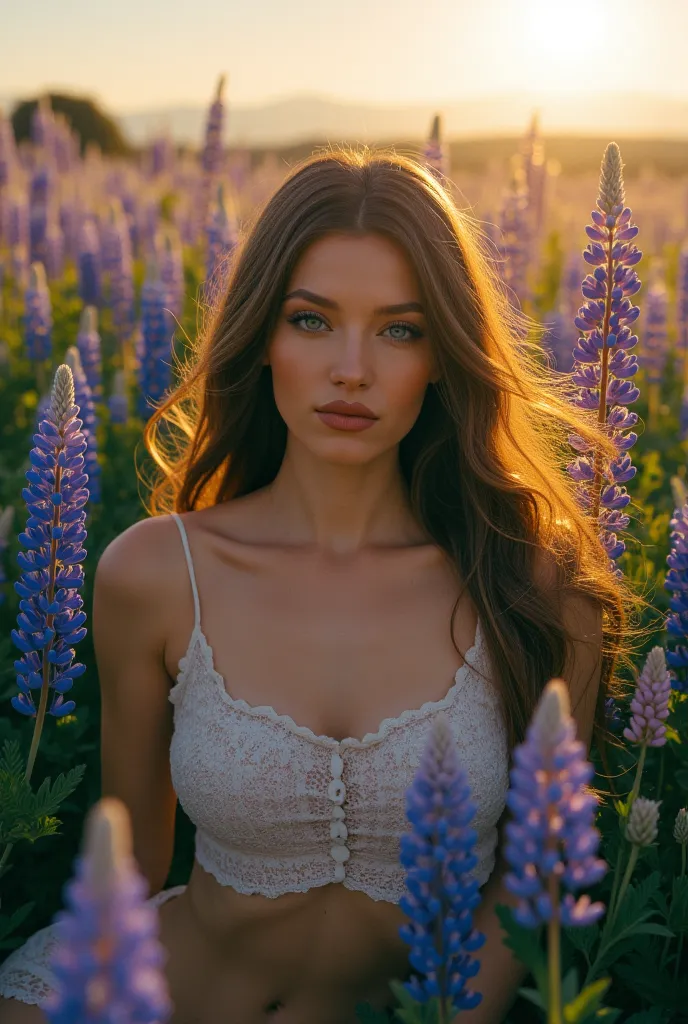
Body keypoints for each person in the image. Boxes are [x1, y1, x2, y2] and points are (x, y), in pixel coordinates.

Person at [0, 147, 638, 1023]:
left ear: (446, 355)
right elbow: (131, 874)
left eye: (400, 330)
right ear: (262, 334)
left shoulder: (533, 588)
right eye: (311, 320)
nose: (352, 368)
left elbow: (528, 894)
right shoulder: (154, 572)